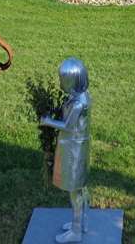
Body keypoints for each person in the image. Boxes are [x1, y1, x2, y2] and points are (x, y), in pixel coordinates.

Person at [41, 58, 92, 243]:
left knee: (74, 191)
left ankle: (76, 231)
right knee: (81, 188)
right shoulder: (81, 96)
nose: (60, 83)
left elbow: (68, 126)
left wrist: (48, 122)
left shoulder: (78, 104)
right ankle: (82, 221)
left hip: (73, 149)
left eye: (63, 80)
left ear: (72, 81)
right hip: (78, 146)